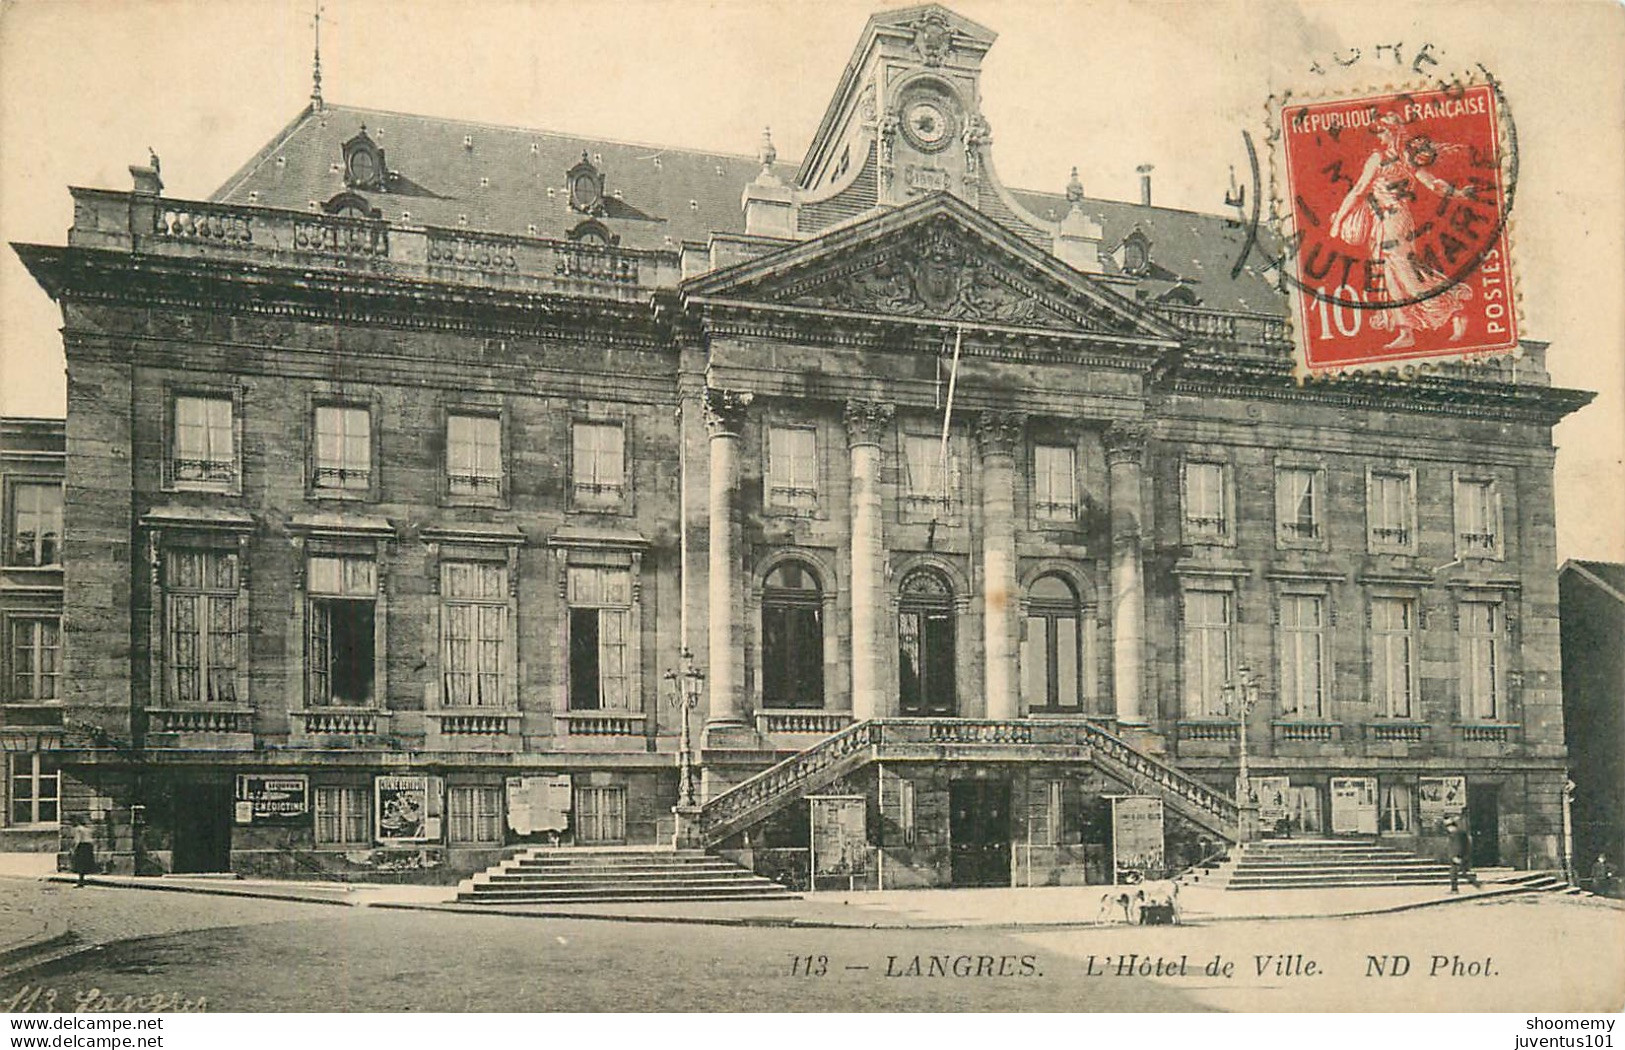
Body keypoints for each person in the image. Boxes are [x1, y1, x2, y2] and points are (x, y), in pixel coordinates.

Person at [1328, 112, 1476, 350]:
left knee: (1406, 276)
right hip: (1395, 220)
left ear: (1392, 133)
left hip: (1390, 222)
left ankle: (1455, 307)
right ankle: (1405, 330)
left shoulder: (1378, 159)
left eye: (1383, 131)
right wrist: (1457, 193)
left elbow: (1358, 191)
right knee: (1393, 277)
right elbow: (1433, 184)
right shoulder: (1407, 160)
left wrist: (1337, 223)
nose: (1380, 135)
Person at [1445, 818, 1477, 893]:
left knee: (1454, 873)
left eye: (1448, 827)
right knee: (1462, 873)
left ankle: (1454, 889)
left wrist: (1456, 856)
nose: (1448, 829)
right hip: (1460, 856)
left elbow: (1458, 846)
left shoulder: (1456, 834)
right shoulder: (1459, 833)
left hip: (1457, 857)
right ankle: (1476, 884)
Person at [69, 820, 97, 887]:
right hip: (89, 846)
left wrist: (73, 849)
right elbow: (92, 839)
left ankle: (80, 881)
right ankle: (82, 880)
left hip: (82, 846)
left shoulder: (78, 829)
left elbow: (77, 840)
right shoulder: (88, 829)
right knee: (85, 864)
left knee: (79, 864)